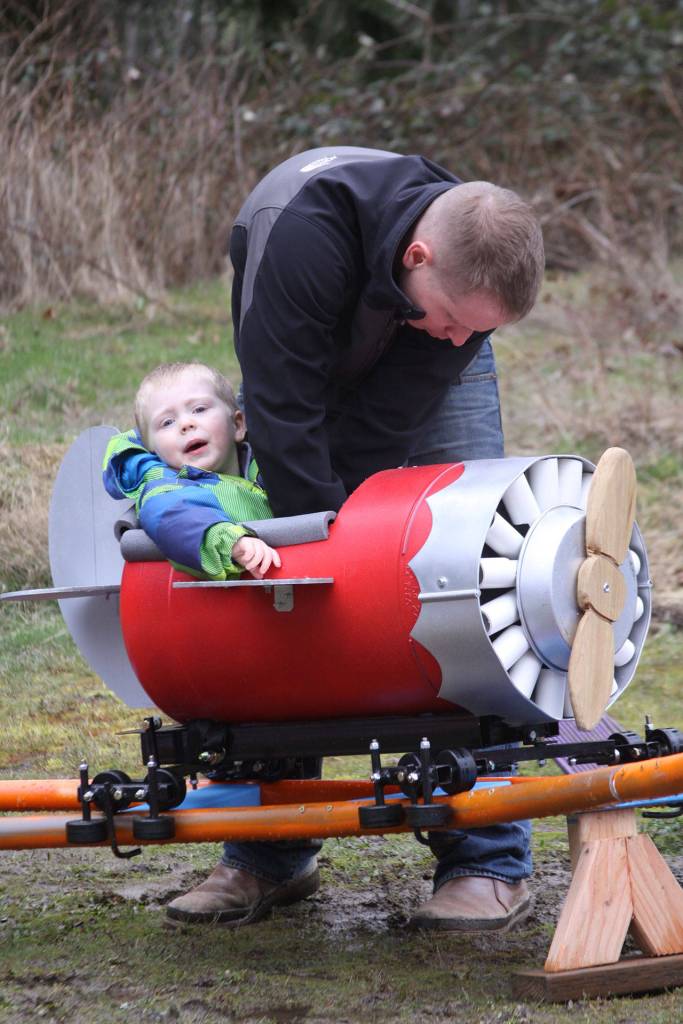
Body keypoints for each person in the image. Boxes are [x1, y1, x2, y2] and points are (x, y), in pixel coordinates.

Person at [166, 146, 545, 932]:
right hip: (294, 356)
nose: (457, 338)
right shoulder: (302, 237)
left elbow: (392, 413)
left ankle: (486, 858)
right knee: (277, 571)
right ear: (416, 257)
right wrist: (324, 550)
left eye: (475, 330)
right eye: (453, 320)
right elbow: (284, 409)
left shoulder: (460, 299)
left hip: (394, 349)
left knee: (471, 569)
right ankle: (268, 849)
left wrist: (375, 549)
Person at [102, 361, 281, 580]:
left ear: (237, 424)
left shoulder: (268, 461)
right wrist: (229, 542)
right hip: (229, 603)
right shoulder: (167, 489)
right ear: (155, 451)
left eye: (199, 409)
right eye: (167, 422)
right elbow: (175, 519)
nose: (186, 423)